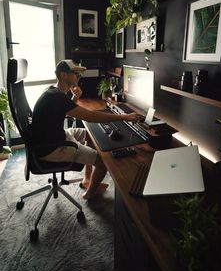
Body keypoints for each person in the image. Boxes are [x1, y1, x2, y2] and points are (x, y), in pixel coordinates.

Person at [32, 59, 140, 200]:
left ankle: (87, 179)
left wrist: (75, 97)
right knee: (104, 162)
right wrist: (125, 117)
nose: (78, 76)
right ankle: (89, 194)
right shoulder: (57, 97)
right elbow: (90, 116)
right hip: (53, 148)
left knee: (89, 135)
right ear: (64, 75)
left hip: (50, 138)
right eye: (75, 73)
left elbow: (64, 112)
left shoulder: (52, 91)